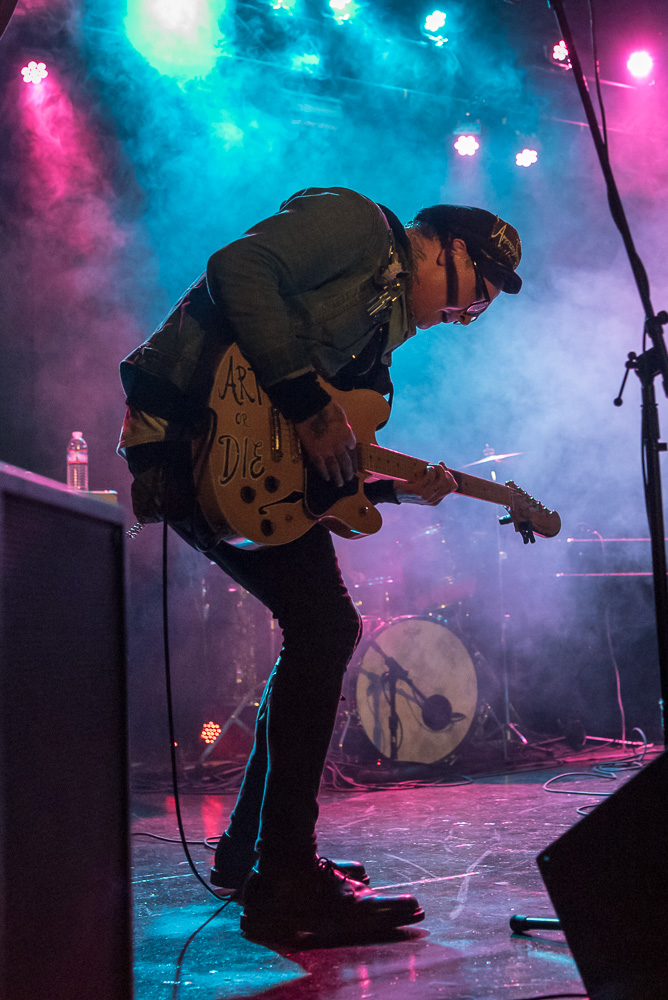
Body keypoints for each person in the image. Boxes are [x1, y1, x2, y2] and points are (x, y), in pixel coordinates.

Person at [118, 187, 522, 941]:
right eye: (478, 298)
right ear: (448, 248)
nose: (467, 318)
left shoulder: (378, 352)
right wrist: (308, 405)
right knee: (326, 626)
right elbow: (235, 268)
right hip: (191, 437)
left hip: (230, 462)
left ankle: (255, 853)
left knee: (321, 626)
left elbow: (315, 477)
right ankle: (286, 881)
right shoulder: (360, 227)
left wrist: (396, 494)